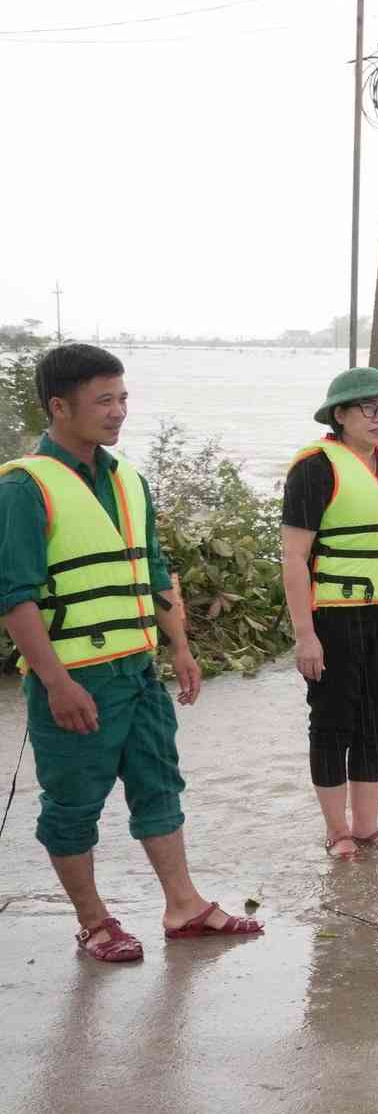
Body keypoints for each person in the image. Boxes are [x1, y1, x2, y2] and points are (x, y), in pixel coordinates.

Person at [0, 343, 264, 960]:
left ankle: (185, 907)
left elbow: (155, 569)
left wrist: (181, 648)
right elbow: (14, 598)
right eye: (103, 400)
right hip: (76, 675)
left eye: (122, 398)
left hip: (139, 672)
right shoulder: (23, 487)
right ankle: (95, 923)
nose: (118, 412)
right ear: (59, 406)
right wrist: (58, 683)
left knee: (159, 786)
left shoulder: (127, 479)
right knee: (71, 805)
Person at [280, 366, 378, 859]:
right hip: (334, 614)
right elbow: (293, 558)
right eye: (369, 408)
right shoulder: (315, 468)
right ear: (341, 414)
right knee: (332, 722)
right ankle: (338, 830)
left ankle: (367, 825)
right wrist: (305, 635)